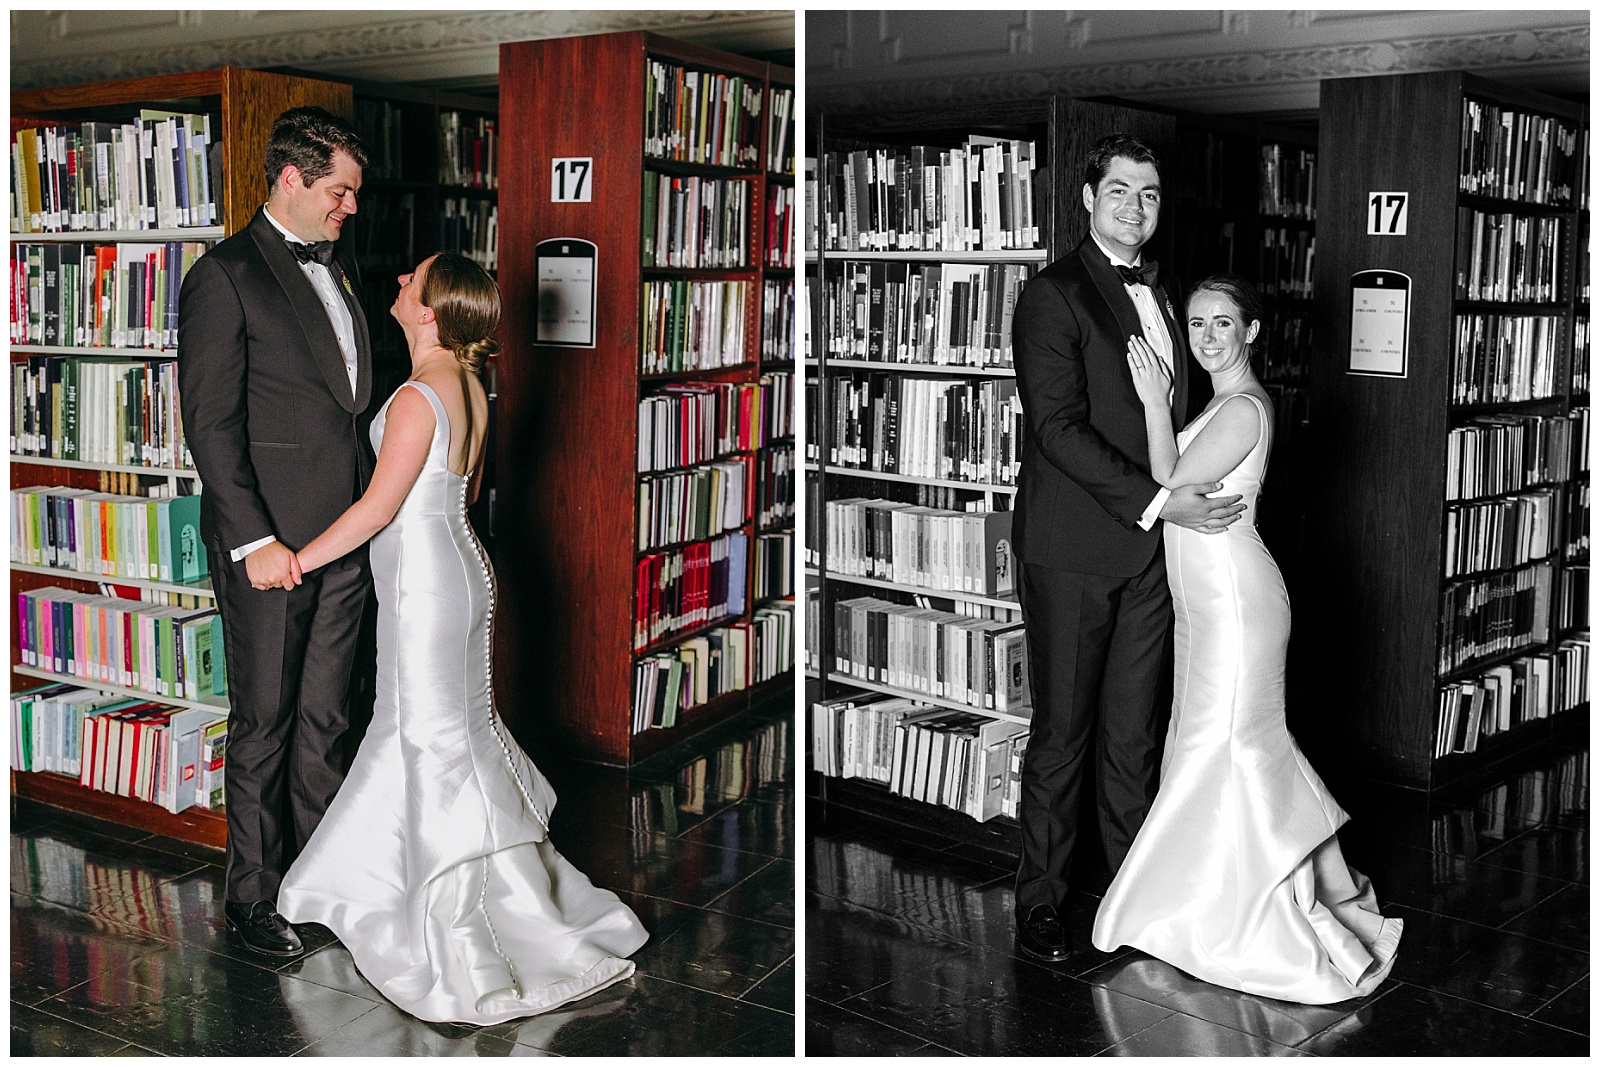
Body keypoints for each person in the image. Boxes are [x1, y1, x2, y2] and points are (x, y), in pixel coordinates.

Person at [275, 252, 648, 1023]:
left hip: (424, 586)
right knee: (437, 734)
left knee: (429, 738)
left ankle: (457, 921)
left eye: (412, 280)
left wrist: (296, 561)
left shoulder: (419, 395)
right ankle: (404, 884)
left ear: (432, 310)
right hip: (458, 566)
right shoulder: (470, 385)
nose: (400, 282)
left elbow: (381, 508)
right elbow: (462, 491)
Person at [1092, 275, 1403, 1003]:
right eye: (1197, 322)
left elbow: (1167, 475)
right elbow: (1171, 496)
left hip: (1235, 602)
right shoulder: (1217, 404)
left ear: (1251, 333)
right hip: (1210, 603)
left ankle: (1280, 925)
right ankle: (1216, 903)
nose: (1206, 335)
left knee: (1226, 746)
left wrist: (1149, 399)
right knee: (1219, 746)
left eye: (1223, 322)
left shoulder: (1241, 407)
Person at [1009, 133, 1246, 963]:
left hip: (1151, 554)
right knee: (1064, 733)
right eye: (1120, 192)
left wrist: (1170, 499)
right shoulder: (1053, 294)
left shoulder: (1165, 292)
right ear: (1086, 197)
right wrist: (1159, 500)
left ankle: (1133, 896)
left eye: (1148, 194)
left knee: (1132, 737)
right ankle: (1039, 902)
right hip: (1073, 549)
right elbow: (1058, 431)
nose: (1135, 207)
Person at [178, 106, 374, 958]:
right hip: (275, 550)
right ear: (290, 179)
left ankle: (319, 884)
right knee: (264, 723)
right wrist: (255, 541)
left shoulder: (342, 262)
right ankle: (252, 901)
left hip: (347, 540)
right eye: (339, 191)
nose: (351, 208)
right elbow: (211, 425)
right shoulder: (222, 276)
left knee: (328, 719)